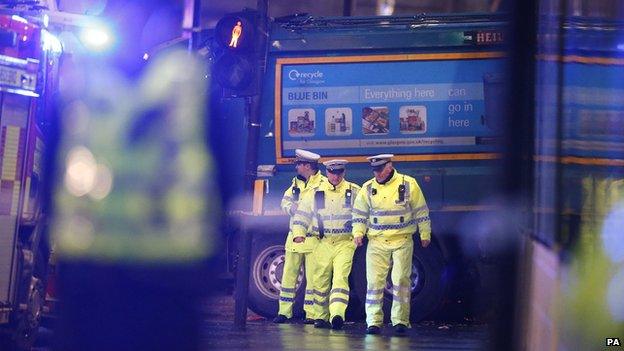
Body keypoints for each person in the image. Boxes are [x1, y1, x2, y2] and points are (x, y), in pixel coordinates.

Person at [351, 154, 431, 336]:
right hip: (377, 242)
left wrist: (425, 233)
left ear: (390, 166)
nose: (377, 173)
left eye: (380, 169)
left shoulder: (408, 183)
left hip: (402, 240)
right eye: (374, 170)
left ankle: (401, 321)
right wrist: (358, 233)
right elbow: (358, 214)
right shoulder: (368, 188)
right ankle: (373, 322)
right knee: (374, 284)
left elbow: (421, 210)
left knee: (402, 281)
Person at [291, 160, 361, 330]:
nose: (336, 176)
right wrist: (299, 233)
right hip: (323, 242)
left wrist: (359, 233)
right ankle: (321, 316)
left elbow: (362, 214)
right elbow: (302, 215)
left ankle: (337, 315)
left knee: (340, 278)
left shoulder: (354, 191)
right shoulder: (316, 192)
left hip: (345, 243)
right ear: (327, 172)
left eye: (339, 173)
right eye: (332, 172)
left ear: (344, 172)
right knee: (320, 281)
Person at [274, 149, 326, 324]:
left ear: (307, 166)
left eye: (299, 164)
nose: (296, 167)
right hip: (294, 238)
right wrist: (291, 208)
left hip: (312, 238)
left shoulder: (323, 185)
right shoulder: (295, 185)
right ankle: (284, 312)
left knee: (313, 279)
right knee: (288, 276)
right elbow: (284, 203)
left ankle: (310, 314)